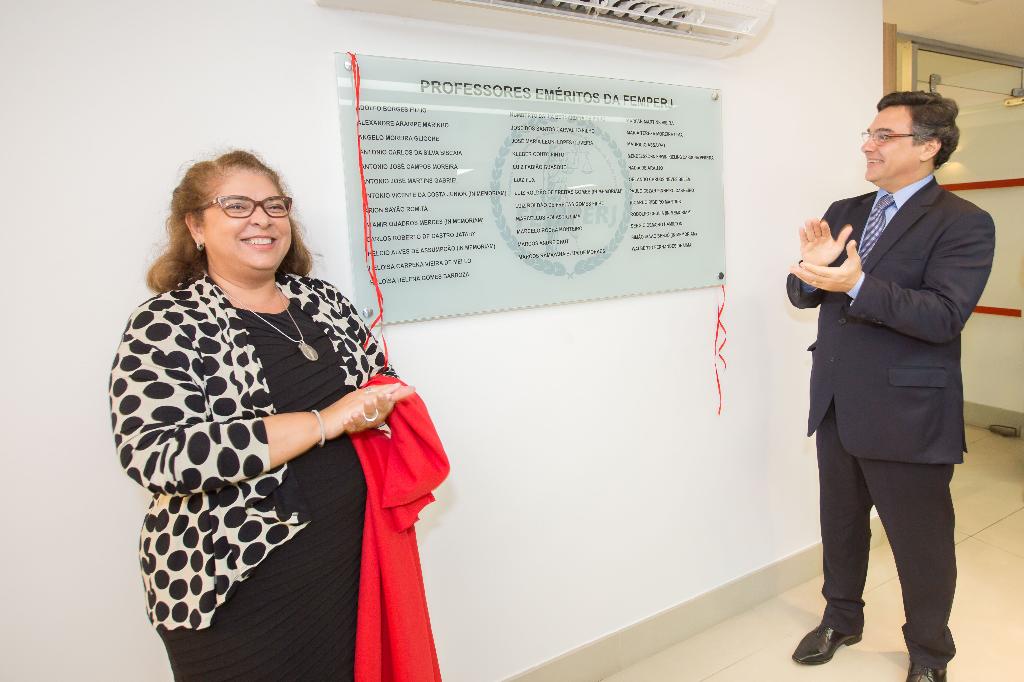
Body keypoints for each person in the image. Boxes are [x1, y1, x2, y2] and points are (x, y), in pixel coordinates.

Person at [109, 150, 418, 680]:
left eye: (275, 205)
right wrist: (324, 422)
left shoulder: (321, 301)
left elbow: (377, 380)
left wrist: (378, 403)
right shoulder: (165, 323)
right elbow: (156, 456)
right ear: (195, 226)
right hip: (234, 581)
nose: (262, 219)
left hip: (347, 560)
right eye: (237, 205)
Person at [786, 91, 994, 682]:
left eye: (884, 135)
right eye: (869, 133)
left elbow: (943, 316)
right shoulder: (846, 207)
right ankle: (840, 619)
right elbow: (803, 292)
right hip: (836, 401)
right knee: (841, 526)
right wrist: (813, 271)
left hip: (909, 412)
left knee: (920, 543)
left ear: (929, 147)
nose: (867, 146)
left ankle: (929, 652)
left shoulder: (964, 222)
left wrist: (855, 283)